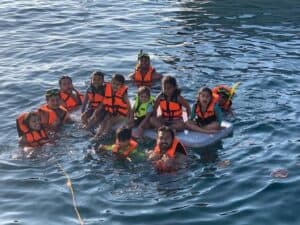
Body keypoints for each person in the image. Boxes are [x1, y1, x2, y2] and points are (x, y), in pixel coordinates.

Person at [93, 74, 133, 140]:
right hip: (113, 111)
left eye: (118, 84)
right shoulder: (109, 90)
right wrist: (96, 111)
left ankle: (104, 134)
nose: (115, 86)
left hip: (122, 114)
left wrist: (130, 118)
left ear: (122, 85)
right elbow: (103, 102)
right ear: (111, 82)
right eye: (113, 83)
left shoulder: (123, 94)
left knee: (110, 121)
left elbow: (129, 106)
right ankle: (97, 135)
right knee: (104, 121)